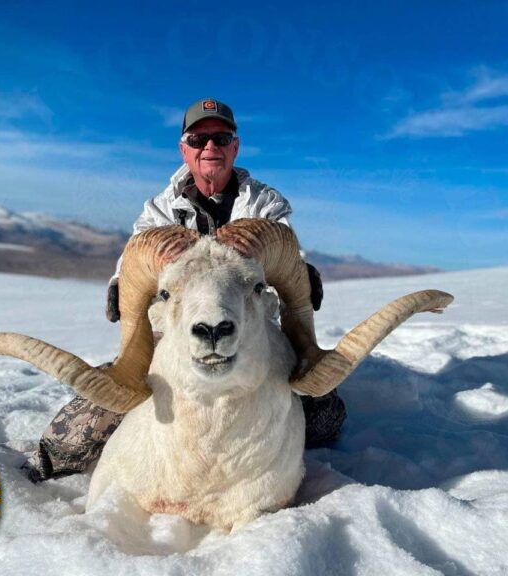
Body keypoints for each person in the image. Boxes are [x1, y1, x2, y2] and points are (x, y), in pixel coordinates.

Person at [25, 98, 346, 482]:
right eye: (198, 139)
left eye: (220, 137)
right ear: (184, 149)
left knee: (324, 418)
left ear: (235, 146)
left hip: (249, 328)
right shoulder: (160, 210)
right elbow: (136, 254)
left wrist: (300, 272)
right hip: (174, 333)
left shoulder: (264, 204)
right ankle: (43, 471)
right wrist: (120, 283)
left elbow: (287, 248)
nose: (209, 147)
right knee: (89, 420)